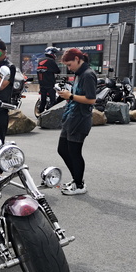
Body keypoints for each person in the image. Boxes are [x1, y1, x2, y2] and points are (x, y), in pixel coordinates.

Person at [56, 48, 96, 195]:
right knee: (63, 149)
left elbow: (91, 99)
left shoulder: (88, 75)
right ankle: (77, 179)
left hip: (80, 119)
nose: (68, 68)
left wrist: (70, 96)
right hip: (71, 117)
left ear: (78, 59)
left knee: (74, 152)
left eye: (69, 64)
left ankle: (79, 185)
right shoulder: (79, 74)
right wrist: (67, 96)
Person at [37, 46, 61, 113]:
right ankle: (50, 114)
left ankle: (40, 113)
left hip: (41, 83)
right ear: (52, 53)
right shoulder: (51, 61)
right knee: (53, 101)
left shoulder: (40, 60)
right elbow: (58, 71)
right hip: (50, 84)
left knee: (43, 100)